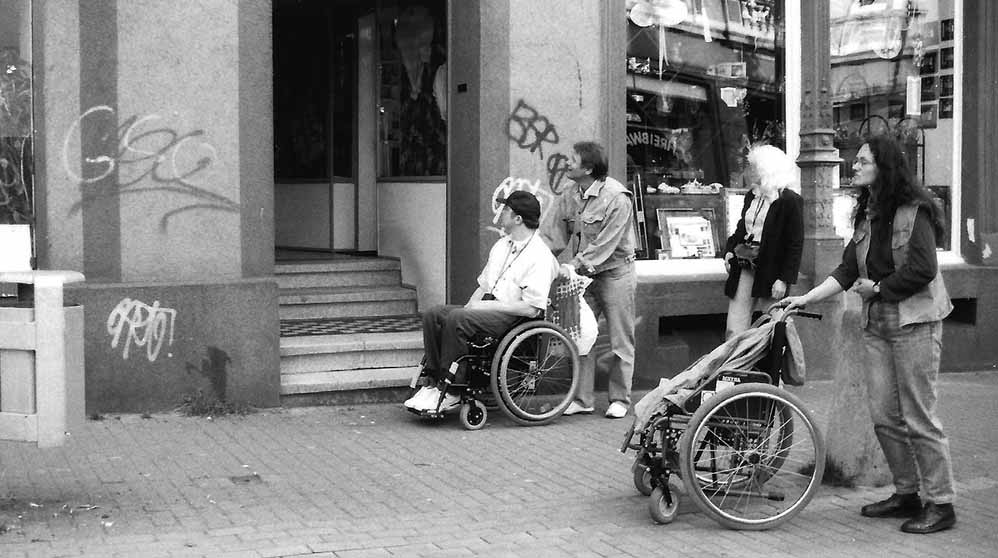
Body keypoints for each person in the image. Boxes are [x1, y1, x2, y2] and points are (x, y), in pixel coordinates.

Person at [779, 135, 956, 534]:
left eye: (861, 161)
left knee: (919, 416)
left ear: (884, 166)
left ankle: (941, 502)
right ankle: (907, 492)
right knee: (884, 416)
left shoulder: (915, 211)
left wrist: (878, 289)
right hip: (878, 324)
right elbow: (846, 271)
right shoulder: (867, 214)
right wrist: (804, 297)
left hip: (915, 322)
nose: (853, 166)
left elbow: (924, 269)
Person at [405, 190, 558, 412]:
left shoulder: (539, 255)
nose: (500, 213)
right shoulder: (502, 245)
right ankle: (436, 382)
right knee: (435, 314)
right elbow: (483, 286)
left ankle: (454, 390)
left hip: (514, 317)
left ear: (518, 219)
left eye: (506, 209)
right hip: (490, 309)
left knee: (457, 319)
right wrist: (470, 307)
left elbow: (532, 308)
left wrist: (483, 307)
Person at [542, 141, 636, 419]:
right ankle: (582, 399)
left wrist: (572, 266)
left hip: (616, 273)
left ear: (588, 168)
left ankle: (620, 399)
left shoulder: (618, 197)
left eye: (573, 159)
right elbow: (553, 236)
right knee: (581, 336)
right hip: (582, 275)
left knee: (621, 338)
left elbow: (605, 246)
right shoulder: (570, 194)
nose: (567, 163)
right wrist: (534, 260)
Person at [723, 144, 804, 338]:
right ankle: (734, 365)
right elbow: (742, 228)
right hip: (745, 264)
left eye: (754, 167)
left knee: (774, 326)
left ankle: (774, 366)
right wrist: (729, 250)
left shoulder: (790, 200)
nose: (749, 171)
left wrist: (784, 279)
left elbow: (795, 243)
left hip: (772, 270)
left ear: (767, 169)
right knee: (735, 326)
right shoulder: (752, 195)